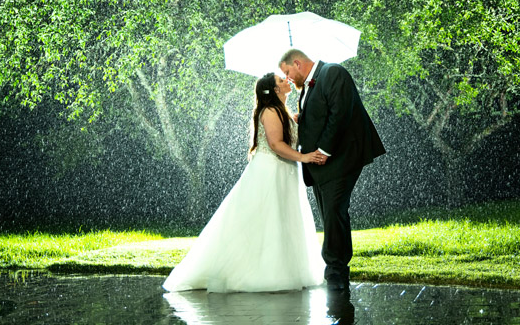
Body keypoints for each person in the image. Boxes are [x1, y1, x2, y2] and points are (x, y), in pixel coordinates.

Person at [162, 73, 327, 293]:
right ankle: (261, 273)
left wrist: (295, 122)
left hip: (285, 172)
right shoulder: (270, 112)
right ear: (274, 90)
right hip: (270, 171)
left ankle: (285, 269)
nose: (286, 81)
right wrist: (304, 157)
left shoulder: (282, 111)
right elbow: (276, 144)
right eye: (280, 80)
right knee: (265, 220)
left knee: (282, 220)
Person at [279, 49, 386, 291]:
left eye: (286, 72)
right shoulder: (307, 88)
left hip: (340, 158)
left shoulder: (333, 72)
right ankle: (336, 270)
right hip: (319, 165)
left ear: (296, 63)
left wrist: (323, 152)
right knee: (330, 214)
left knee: (335, 212)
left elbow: (340, 114)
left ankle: (336, 272)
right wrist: (300, 120)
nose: (287, 78)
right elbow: (320, 116)